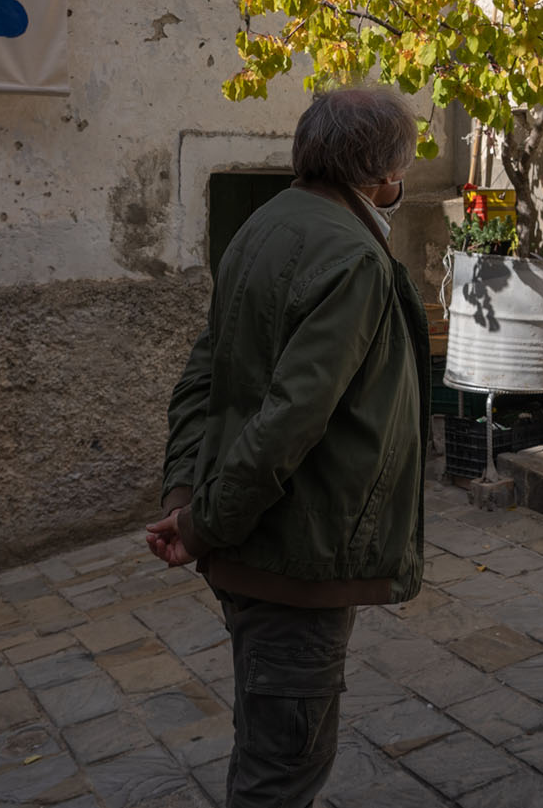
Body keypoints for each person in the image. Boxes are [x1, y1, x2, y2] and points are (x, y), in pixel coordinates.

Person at [150, 86, 430, 807]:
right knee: (284, 765)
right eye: (403, 164)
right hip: (294, 556)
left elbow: (202, 378)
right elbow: (288, 422)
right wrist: (201, 521)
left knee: (269, 737)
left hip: (255, 547)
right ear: (383, 172)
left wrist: (185, 495)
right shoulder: (353, 258)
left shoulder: (263, 225)